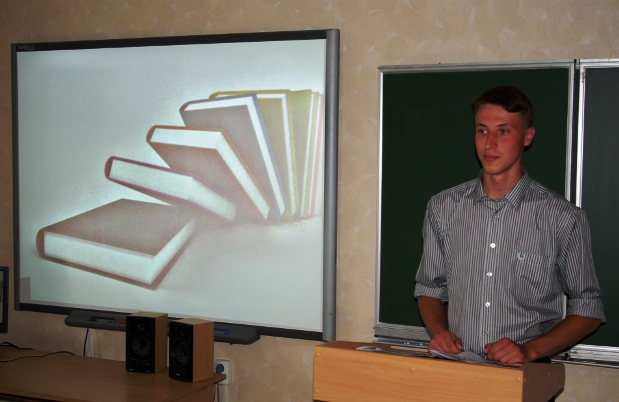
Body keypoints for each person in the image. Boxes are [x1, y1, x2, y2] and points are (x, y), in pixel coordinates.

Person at [414, 85, 605, 366]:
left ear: (528, 136)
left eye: (503, 131)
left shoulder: (562, 218)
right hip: (458, 370)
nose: (489, 144)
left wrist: (529, 350)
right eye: (482, 130)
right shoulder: (443, 208)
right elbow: (429, 288)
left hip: (526, 374)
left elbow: (589, 309)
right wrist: (440, 332)